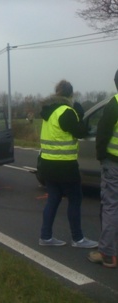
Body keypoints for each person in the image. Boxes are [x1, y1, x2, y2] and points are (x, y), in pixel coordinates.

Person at [38, 80, 98, 248]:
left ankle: (45, 236)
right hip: (64, 165)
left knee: (53, 199)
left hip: (47, 164)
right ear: (70, 94)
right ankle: (78, 239)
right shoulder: (66, 111)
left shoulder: (49, 113)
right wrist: (79, 114)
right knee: (75, 199)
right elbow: (80, 132)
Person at [88, 70, 118, 268]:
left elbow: (102, 134)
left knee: (111, 206)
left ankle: (107, 254)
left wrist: (100, 157)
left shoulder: (114, 104)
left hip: (114, 163)